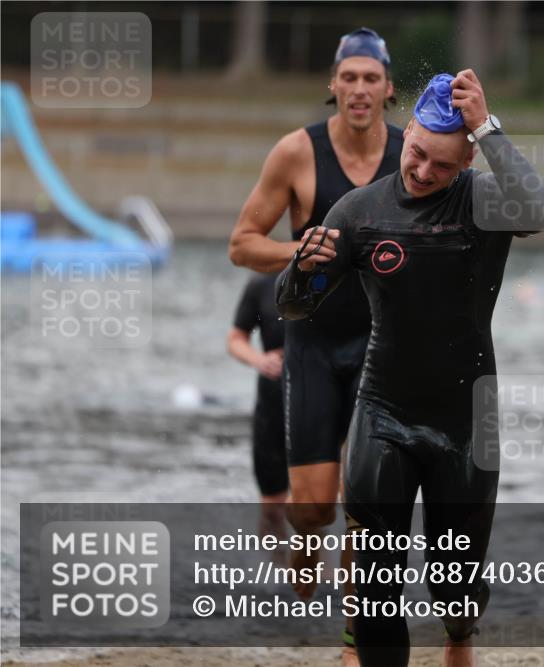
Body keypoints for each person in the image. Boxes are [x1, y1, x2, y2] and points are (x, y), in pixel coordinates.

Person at [276, 70, 544, 667]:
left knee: (456, 591)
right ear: (407, 135)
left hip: (464, 424)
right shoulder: (360, 210)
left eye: (444, 166)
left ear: (469, 160)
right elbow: (293, 305)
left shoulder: (483, 200)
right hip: (384, 414)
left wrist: (486, 124)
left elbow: (541, 209)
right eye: (418, 154)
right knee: (376, 592)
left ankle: (460, 638)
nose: (425, 172)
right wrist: (300, 269)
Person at [228, 27, 403, 662]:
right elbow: (242, 243)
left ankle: (354, 646)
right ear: (332, 86)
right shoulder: (296, 153)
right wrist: (296, 249)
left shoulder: (411, 155)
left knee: (367, 507)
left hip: (385, 351)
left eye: (371, 78)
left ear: (388, 88)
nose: (359, 89)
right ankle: (303, 551)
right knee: (312, 512)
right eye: (348, 78)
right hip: (312, 347)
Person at [227, 272, 287, 536]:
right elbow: (236, 339)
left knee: (314, 504)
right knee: (273, 504)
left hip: (326, 398)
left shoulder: (340, 277)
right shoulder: (262, 283)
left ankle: (318, 569)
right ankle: (274, 569)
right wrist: (258, 360)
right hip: (273, 399)